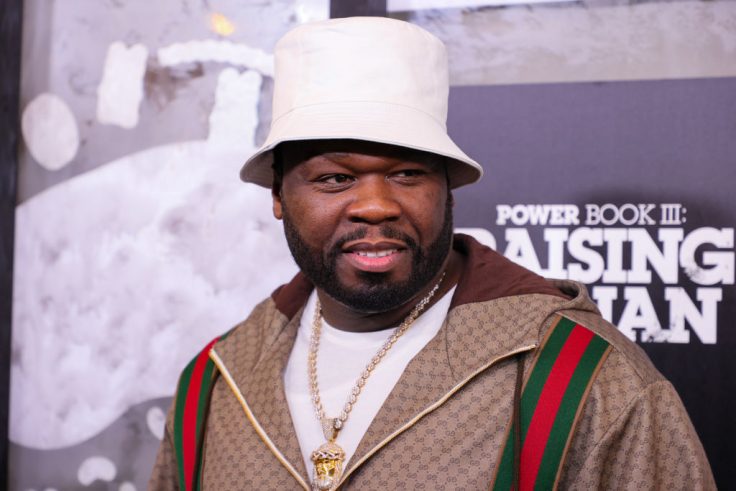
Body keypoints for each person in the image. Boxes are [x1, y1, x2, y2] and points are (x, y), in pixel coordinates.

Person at [149, 16, 715, 491]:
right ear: (278, 195)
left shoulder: (582, 377)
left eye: (406, 174)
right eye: (335, 178)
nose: (375, 206)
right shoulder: (214, 383)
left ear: (449, 190)